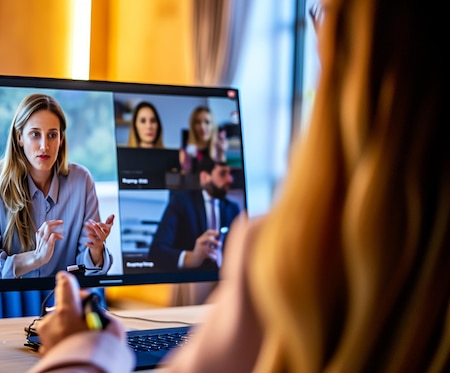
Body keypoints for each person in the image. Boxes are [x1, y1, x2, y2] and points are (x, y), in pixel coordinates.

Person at [28, 0, 450, 371]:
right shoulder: (185, 206)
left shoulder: (284, 256)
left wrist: (85, 348)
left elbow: (94, 261)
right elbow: (157, 249)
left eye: (324, 14)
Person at [0, 93, 114, 279]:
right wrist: (35, 258)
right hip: (8, 304)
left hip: (61, 302)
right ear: (19, 137)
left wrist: (97, 250)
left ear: (61, 140)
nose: (45, 146)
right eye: (35, 134)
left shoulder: (81, 181)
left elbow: (87, 271)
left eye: (52, 135)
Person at [149, 157, 241, 305]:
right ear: (205, 177)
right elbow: (156, 251)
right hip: (190, 287)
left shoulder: (233, 208)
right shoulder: (181, 202)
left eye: (231, 174)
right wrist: (191, 257)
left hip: (225, 286)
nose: (230, 179)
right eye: (223, 173)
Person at [179, 105, 228, 174]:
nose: (202, 127)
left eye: (207, 122)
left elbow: (225, 174)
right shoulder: (186, 150)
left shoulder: (220, 145)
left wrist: (221, 153)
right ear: (193, 126)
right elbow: (184, 174)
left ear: (213, 126)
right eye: (198, 122)